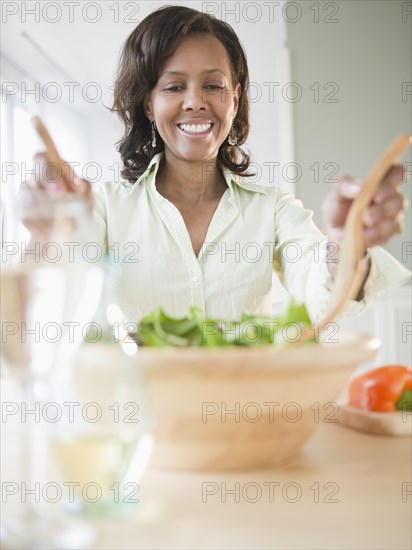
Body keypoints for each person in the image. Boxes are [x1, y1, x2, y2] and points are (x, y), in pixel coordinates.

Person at [30, 5, 410, 323]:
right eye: (174, 87)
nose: (195, 102)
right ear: (149, 104)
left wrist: (345, 244)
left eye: (213, 85)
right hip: (140, 412)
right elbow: (53, 301)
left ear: (235, 97)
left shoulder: (273, 209)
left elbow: (321, 290)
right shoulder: (106, 209)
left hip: (248, 411)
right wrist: (48, 234)